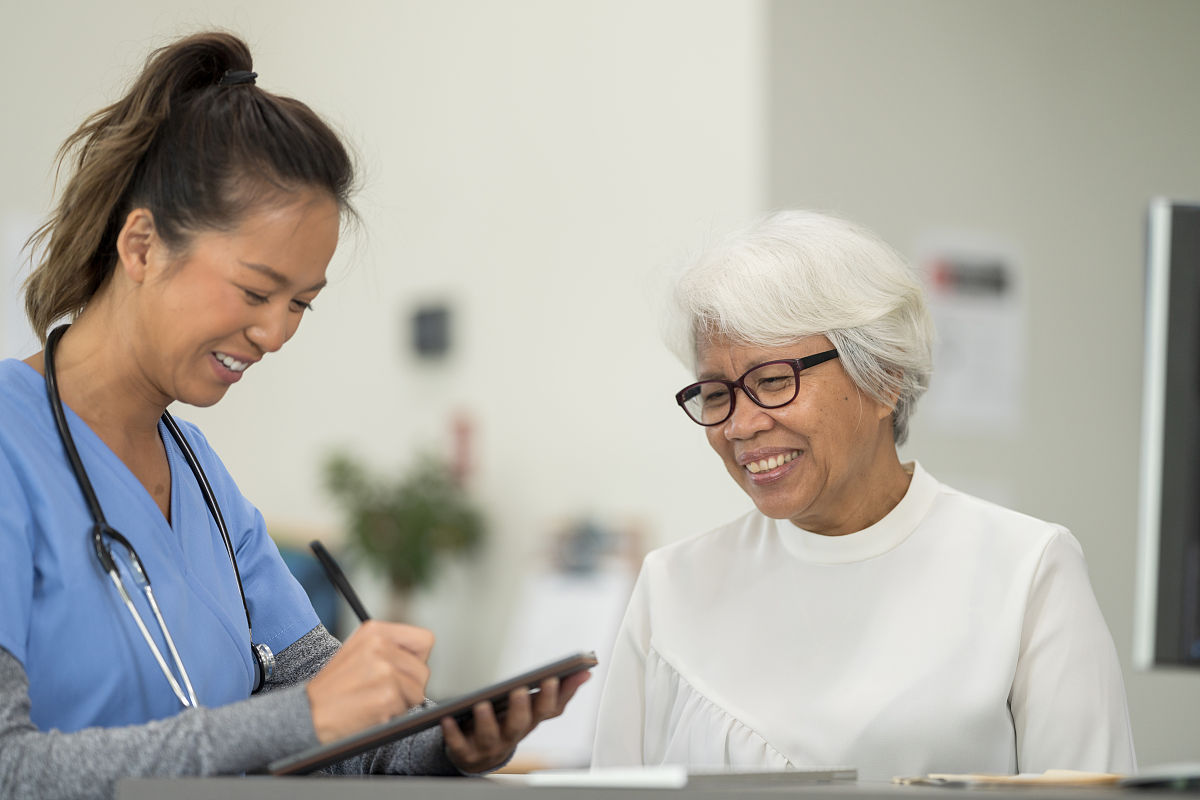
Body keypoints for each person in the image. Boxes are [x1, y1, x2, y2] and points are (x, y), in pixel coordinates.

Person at [0, 32, 586, 800]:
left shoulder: (201, 477)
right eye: (254, 291)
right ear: (141, 245)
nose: (276, 335)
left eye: (301, 303)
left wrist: (452, 740)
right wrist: (304, 716)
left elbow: (343, 728)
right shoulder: (13, 450)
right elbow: (11, 770)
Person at [591, 210, 1136, 779]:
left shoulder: (1027, 570)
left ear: (883, 377)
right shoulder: (673, 587)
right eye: (714, 393)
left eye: (773, 381)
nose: (739, 425)